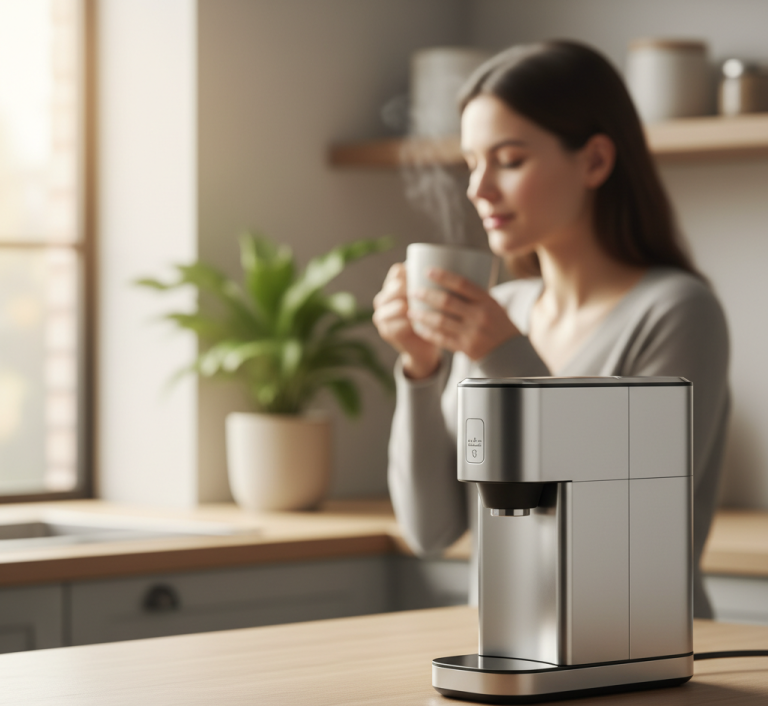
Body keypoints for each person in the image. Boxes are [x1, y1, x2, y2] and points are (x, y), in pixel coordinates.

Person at [372, 40, 730, 619]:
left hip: (637, 643)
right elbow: (431, 529)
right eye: (471, 163)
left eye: (509, 160)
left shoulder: (677, 311)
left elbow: (627, 523)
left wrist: (504, 355)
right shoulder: (500, 312)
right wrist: (421, 368)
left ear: (594, 161)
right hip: (508, 645)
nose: (478, 189)